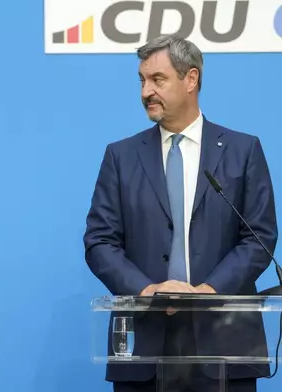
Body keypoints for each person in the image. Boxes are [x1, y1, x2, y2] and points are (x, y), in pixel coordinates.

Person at [83, 34, 277, 392]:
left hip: (224, 339)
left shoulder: (242, 150)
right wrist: (146, 290)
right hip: (144, 340)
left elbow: (259, 236)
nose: (146, 92)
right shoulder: (121, 157)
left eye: (158, 79)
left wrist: (210, 290)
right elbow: (99, 242)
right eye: (142, 81)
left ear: (191, 79)